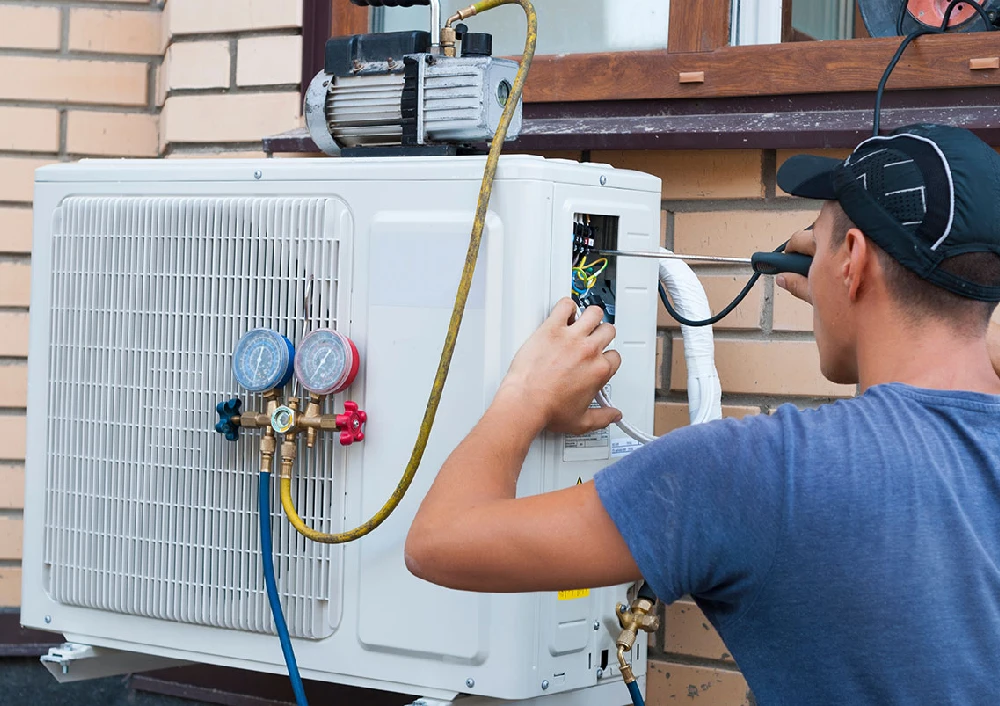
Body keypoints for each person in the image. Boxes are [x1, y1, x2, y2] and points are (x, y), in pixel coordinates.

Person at [405, 124, 1000, 704]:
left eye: (819, 242)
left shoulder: (759, 472)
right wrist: (844, 299)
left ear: (854, 260)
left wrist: (526, 395)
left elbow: (439, 542)